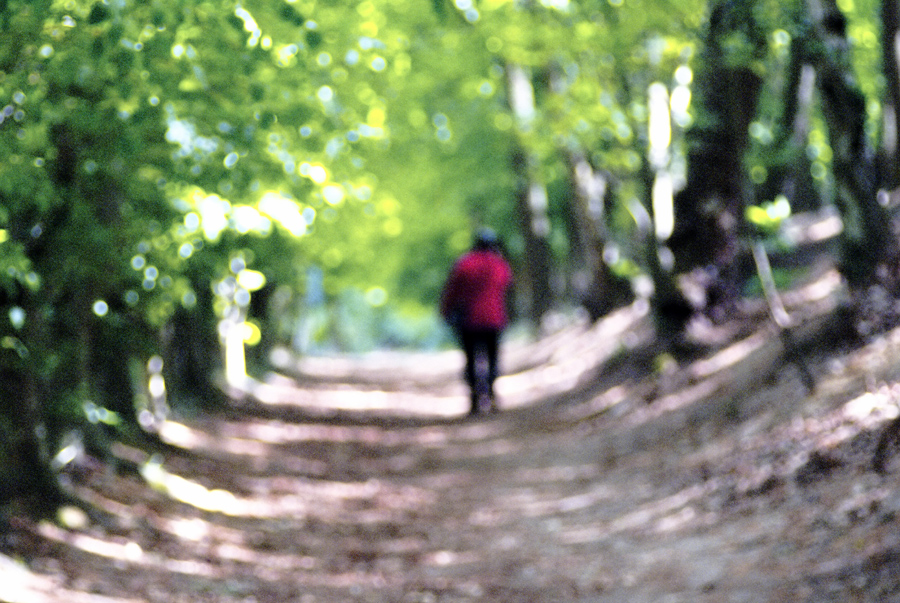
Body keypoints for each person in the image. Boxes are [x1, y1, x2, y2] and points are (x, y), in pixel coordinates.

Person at [440, 228, 513, 416]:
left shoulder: (464, 263)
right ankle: (491, 394)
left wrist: (445, 311)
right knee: (492, 357)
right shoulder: (500, 264)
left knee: (471, 359)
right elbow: (506, 286)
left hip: (469, 320)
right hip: (494, 319)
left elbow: (452, 290)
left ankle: (474, 400)